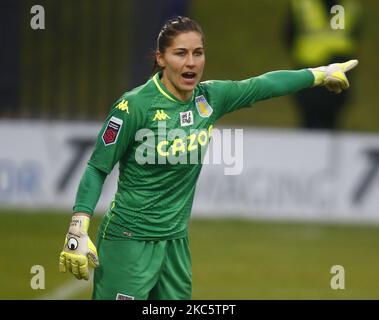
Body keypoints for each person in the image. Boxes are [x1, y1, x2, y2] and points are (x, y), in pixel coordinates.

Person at [59, 16, 358, 300]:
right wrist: (78, 229)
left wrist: (319, 74)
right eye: (180, 53)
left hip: (175, 243)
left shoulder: (210, 98)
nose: (191, 62)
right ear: (161, 59)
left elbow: (262, 85)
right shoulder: (134, 106)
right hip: (129, 239)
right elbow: (97, 167)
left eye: (198, 53)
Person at [286, 0, 362, 129]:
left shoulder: (303, 4)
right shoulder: (349, 5)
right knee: (327, 122)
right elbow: (355, 35)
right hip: (330, 71)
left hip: (312, 70)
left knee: (312, 122)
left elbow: (288, 34)